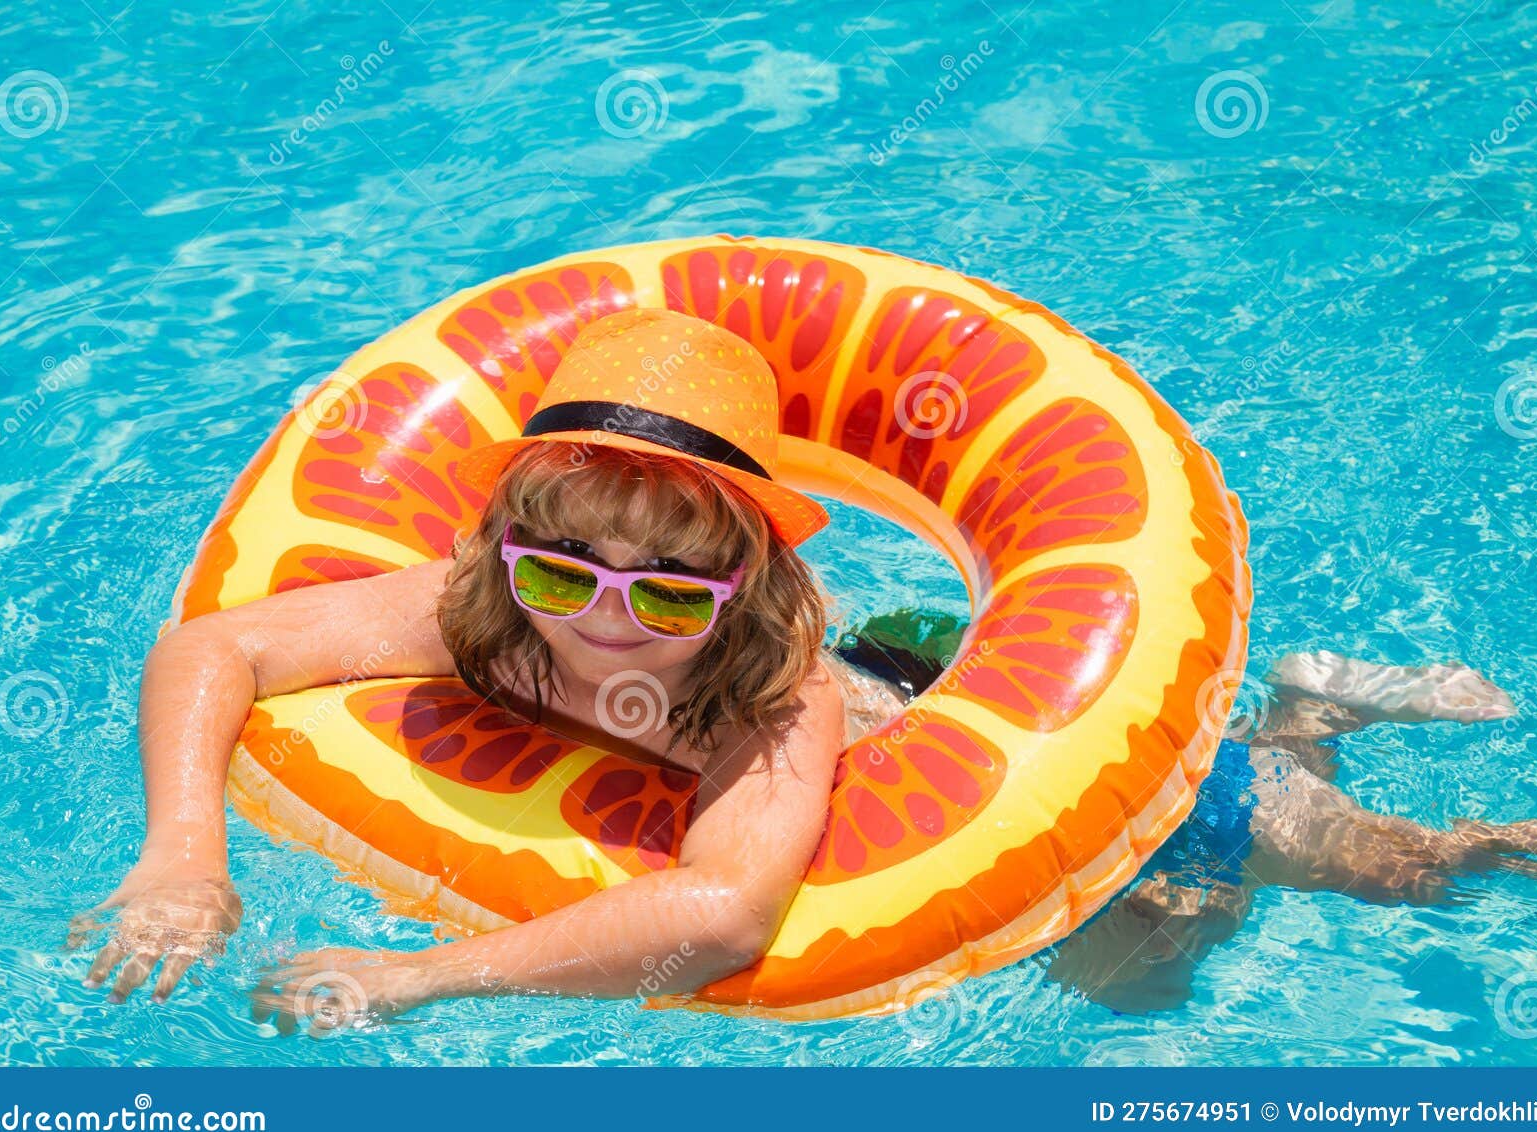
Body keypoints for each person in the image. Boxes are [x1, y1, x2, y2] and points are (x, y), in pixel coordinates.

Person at [69, 308, 910, 1030]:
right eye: (564, 567)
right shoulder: (484, 609)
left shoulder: (774, 697)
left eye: (670, 589)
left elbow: (726, 914)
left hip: (903, 694)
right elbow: (215, 646)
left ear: (746, 586)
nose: (603, 616)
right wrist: (183, 855)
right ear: (508, 550)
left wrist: (418, 974)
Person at [1040, 652, 1537, 1013]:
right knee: (1268, 803)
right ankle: (1309, 707)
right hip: (1193, 782)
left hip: (1222, 822)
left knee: (1428, 869)